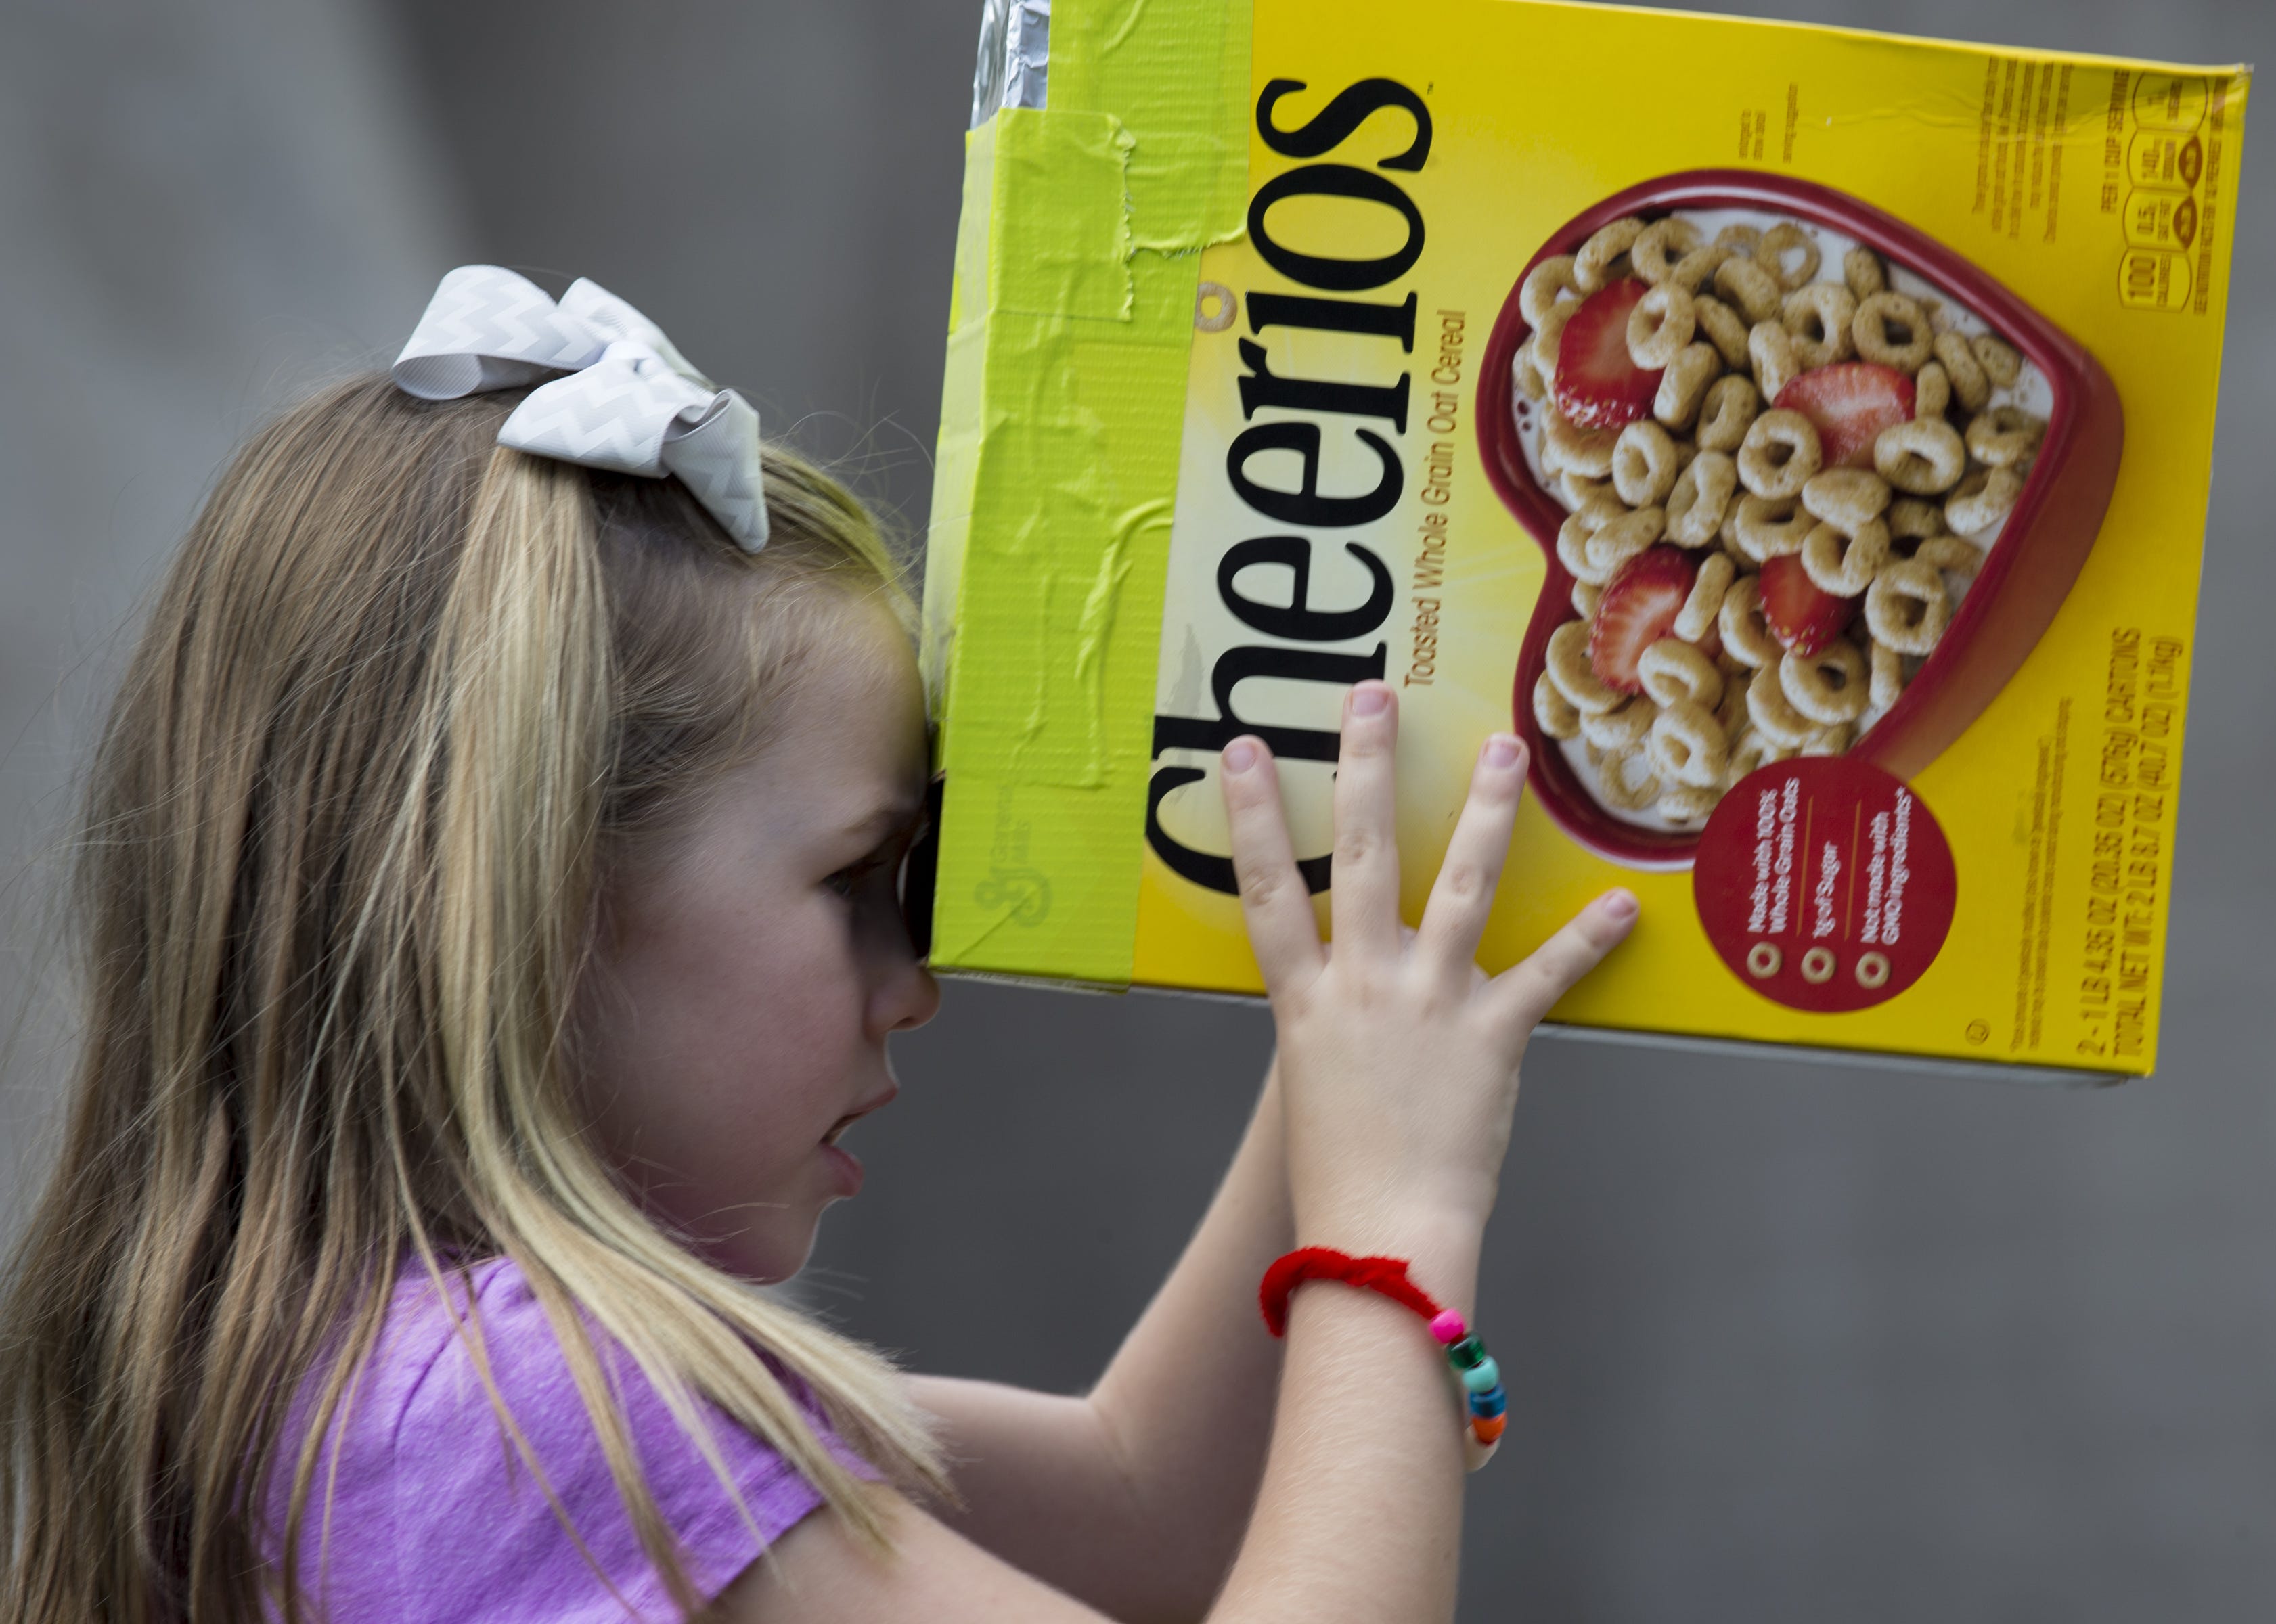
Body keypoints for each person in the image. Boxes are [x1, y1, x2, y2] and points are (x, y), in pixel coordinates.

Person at [0, 269, 1638, 1623]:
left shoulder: (363, 1385)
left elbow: (1146, 1511)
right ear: (530, 902)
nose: (912, 986)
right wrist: (1396, 1226)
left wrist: (1345, 1037)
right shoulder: (529, 1418)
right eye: (861, 877)